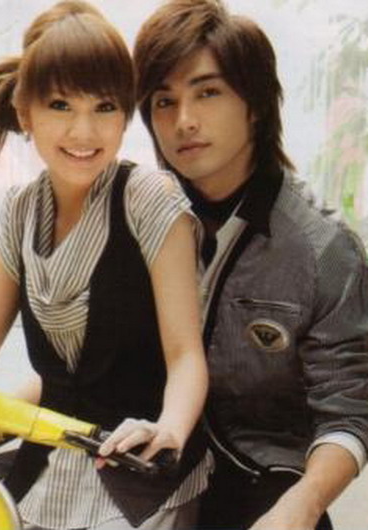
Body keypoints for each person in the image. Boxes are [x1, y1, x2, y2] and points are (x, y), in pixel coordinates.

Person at [0, 2, 211, 529]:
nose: (84, 132)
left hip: (139, 468)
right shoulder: (21, 209)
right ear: (26, 113)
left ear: (126, 114)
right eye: (60, 105)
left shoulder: (149, 198)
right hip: (49, 460)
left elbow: (186, 356)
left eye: (105, 107)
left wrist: (170, 431)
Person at [133, 1, 368, 529]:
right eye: (164, 101)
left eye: (207, 92)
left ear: (256, 104)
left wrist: (303, 504)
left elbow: (349, 413)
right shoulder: (137, 220)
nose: (184, 121)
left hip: (267, 492)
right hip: (149, 483)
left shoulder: (325, 249)